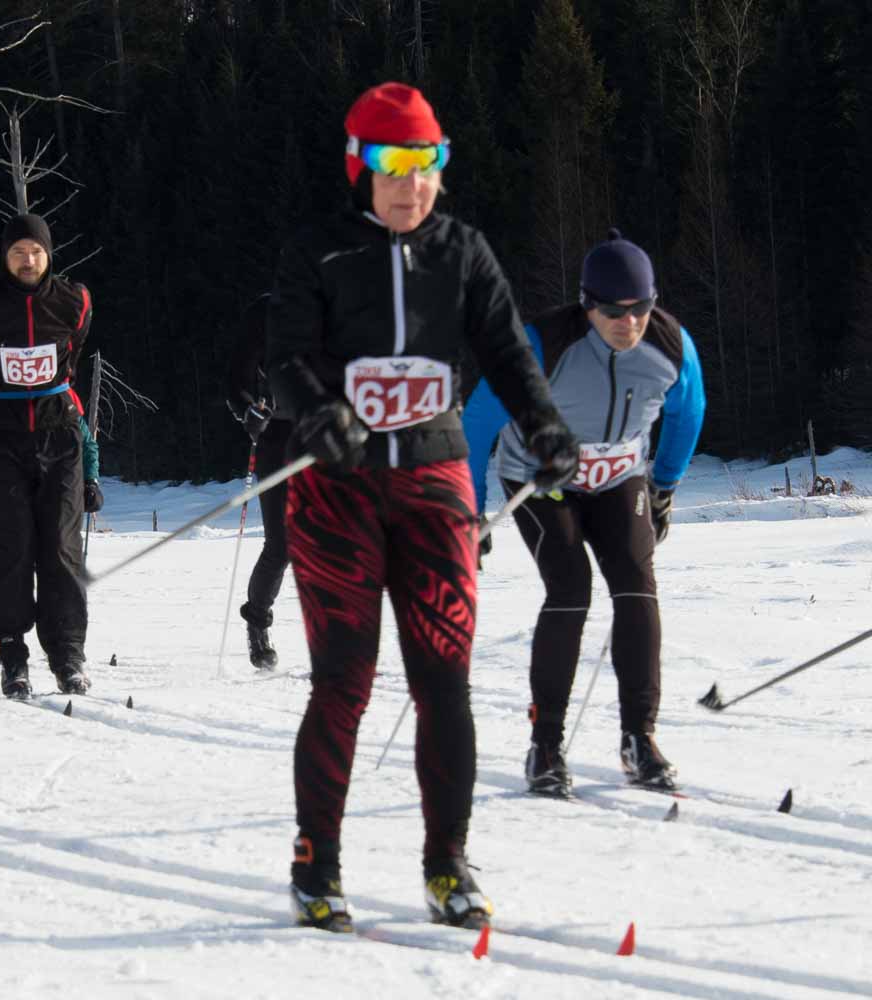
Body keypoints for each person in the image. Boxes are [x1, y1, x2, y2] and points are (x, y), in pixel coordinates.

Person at [266, 83, 578, 933]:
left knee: (445, 681)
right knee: (344, 682)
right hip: (337, 488)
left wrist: (544, 421)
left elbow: (508, 350)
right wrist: (318, 409)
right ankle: (316, 864)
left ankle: (448, 863)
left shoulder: (462, 251)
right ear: (359, 169)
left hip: (435, 481)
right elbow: (284, 357)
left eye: (430, 164)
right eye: (397, 167)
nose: (414, 186)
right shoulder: (321, 251)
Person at [462, 230, 705, 797]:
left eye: (641, 308)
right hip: (541, 482)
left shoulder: (670, 344)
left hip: (620, 479)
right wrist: (470, 512)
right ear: (587, 303)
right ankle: (545, 746)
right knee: (571, 589)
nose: (630, 323)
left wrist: (664, 487)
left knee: (637, 588)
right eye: (614, 311)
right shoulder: (542, 344)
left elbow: (689, 414)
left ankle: (639, 739)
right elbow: (474, 428)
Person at [0, 213, 96, 699]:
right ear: (4, 258)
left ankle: (68, 653)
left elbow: (74, 353)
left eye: (35, 252)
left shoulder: (74, 302)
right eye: (17, 252)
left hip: (60, 437)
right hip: (2, 439)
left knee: (61, 549)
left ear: (48, 255)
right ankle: (13, 655)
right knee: (10, 550)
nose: (27, 260)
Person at [226, 293, 290, 670]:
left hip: (326, 436)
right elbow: (237, 380)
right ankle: (257, 623)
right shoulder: (265, 311)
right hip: (278, 437)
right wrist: (247, 410)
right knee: (282, 545)